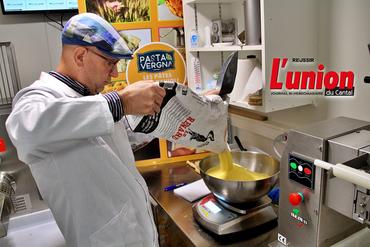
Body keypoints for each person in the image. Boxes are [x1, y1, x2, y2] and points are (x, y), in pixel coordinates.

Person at [6, 13, 166, 247]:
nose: (114, 74)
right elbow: (26, 129)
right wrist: (121, 102)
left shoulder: (89, 100)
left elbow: (112, 140)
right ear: (80, 55)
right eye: (110, 63)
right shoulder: (39, 97)